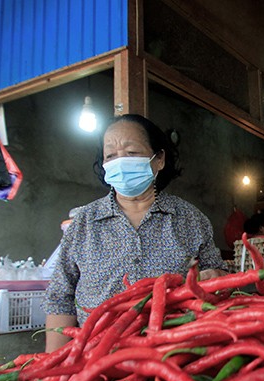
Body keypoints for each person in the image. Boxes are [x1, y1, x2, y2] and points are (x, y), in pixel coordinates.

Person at [41, 114, 227, 352]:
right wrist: (55, 365)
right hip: (95, 361)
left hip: (174, 355)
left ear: (159, 159)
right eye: (111, 155)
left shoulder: (190, 219)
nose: (120, 161)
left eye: (131, 153)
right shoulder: (83, 224)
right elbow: (60, 298)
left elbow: (218, 283)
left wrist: (215, 277)